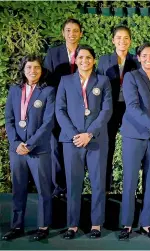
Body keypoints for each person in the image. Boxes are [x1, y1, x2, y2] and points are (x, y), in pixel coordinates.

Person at [55, 45, 113, 239]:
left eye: (88, 58)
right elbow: (60, 110)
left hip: (96, 140)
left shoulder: (103, 81)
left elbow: (106, 111)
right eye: (81, 57)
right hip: (72, 141)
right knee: (73, 183)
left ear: (94, 60)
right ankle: (72, 225)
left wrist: (89, 133)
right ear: (76, 60)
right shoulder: (65, 81)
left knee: (98, 183)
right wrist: (74, 135)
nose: (84, 61)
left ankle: (96, 225)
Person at [118, 42, 150, 240]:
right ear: (139, 58)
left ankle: (146, 224)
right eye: (144, 55)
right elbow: (132, 108)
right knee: (130, 180)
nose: (149, 58)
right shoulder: (131, 77)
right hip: (134, 135)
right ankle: (126, 224)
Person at [3, 55, 55, 241]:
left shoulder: (48, 91)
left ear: (42, 70)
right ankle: (16, 227)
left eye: (36, 68)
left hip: (38, 150)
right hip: (17, 151)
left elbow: (48, 122)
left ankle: (43, 227)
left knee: (43, 189)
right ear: (23, 70)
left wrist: (30, 144)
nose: (33, 71)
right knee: (18, 189)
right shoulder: (14, 91)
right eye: (29, 67)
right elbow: (8, 119)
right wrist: (16, 144)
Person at [97, 25, 139, 193]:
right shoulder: (104, 60)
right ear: (113, 40)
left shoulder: (136, 61)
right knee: (107, 146)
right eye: (119, 38)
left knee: (132, 147)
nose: (122, 41)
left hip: (130, 109)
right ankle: (105, 187)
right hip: (110, 108)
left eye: (126, 38)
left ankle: (132, 188)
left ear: (130, 41)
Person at [44, 18, 83, 197]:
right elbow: (47, 81)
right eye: (68, 30)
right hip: (58, 108)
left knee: (76, 148)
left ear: (80, 33)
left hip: (79, 109)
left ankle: (74, 188)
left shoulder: (85, 53)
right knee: (56, 149)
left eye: (75, 30)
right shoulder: (53, 53)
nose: (72, 34)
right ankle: (59, 188)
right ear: (63, 33)